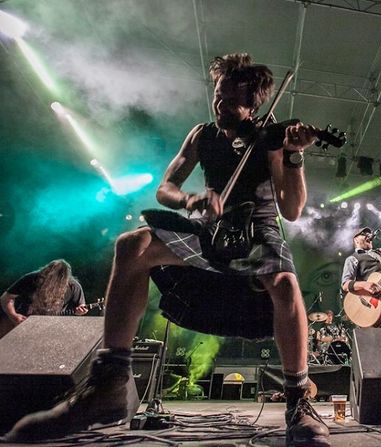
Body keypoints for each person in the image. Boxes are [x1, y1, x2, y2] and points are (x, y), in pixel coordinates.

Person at [6, 53, 329, 447]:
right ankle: (109, 382)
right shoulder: (202, 135)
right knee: (133, 244)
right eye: (218, 96)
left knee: (284, 282)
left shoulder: (273, 139)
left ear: (253, 104)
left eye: (231, 101)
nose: (220, 105)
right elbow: (165, 188)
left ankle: (298, 399)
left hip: (257, 230)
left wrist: (294, 156)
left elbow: (291, 210)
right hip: (210, 229)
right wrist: (190, 199)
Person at [0, 259, 88, 337]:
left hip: (53, 329)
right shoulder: (31, 279)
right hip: (25, 325)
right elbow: (6, 298)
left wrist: (80, 311)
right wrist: (14, 315)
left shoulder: (74, 287)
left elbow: (81, 308)